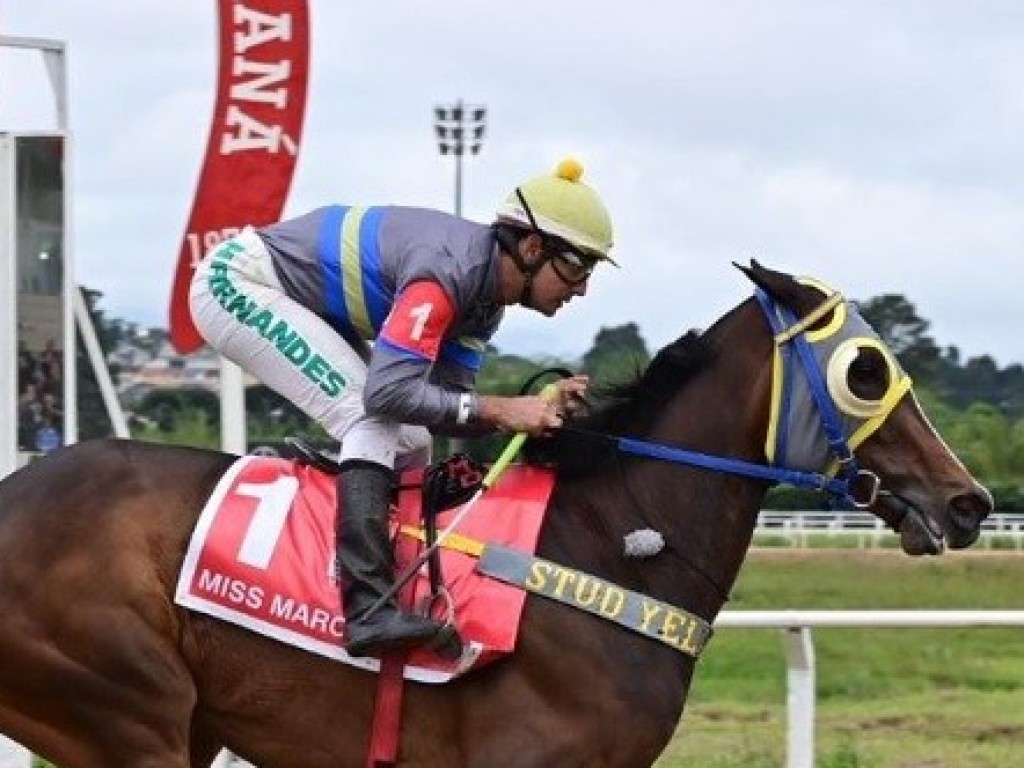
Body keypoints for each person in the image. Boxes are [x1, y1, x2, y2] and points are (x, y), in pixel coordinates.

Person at [189, 157, 614, 657]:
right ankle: (367, 610)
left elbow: (445, 405)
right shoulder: (448, 272)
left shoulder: (484, 303)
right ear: (532, 247)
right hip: (238, 282)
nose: (582, 286)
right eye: (576, 265)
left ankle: (395, 584)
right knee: (370, 417)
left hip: (300, 295)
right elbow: (388, 395)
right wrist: (502, 409)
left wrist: (533, 408)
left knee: (413, 438)